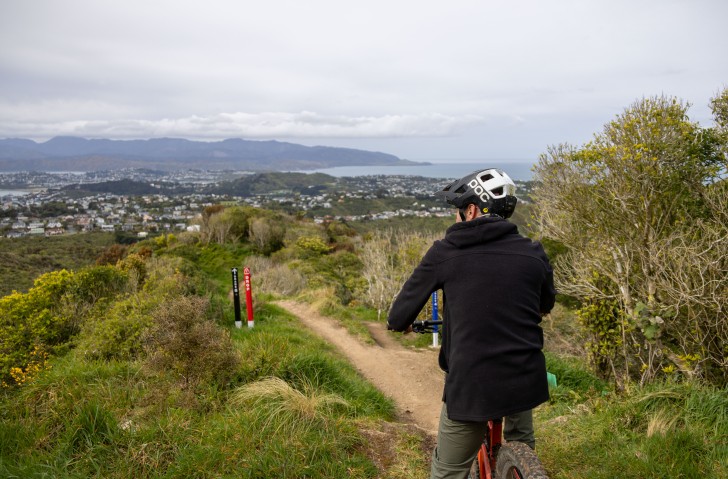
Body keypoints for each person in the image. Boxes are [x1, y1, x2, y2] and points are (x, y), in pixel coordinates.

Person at [387, 168, 556, 479]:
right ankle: (523, 461)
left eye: (458, 211)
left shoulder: (446, 253)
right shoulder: (534, 252)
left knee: (447, 471)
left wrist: (405, 325)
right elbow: (545, 305)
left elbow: (398, 317)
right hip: (525, 376)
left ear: (472, 210)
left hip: (473, 385)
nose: (456, 218)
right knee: (523, 444)